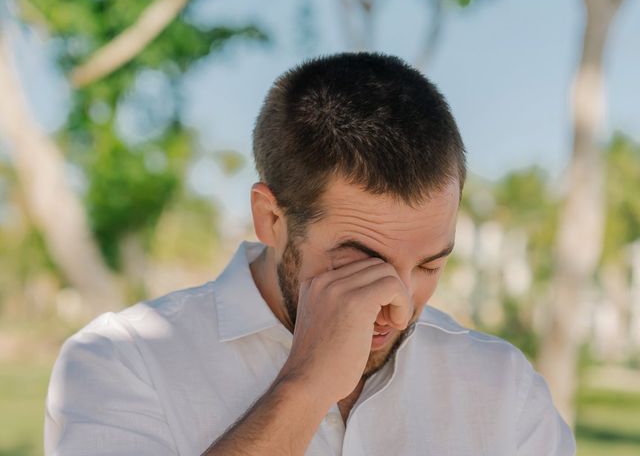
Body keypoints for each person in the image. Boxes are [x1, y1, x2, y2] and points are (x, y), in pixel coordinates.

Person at [44, 51, 576, 456]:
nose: (399, 302)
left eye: (430, 264)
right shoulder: (120, 362)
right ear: (271, 219)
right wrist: (307, 383)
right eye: (363, 262)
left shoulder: (504, 388)